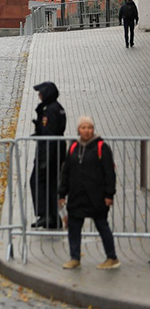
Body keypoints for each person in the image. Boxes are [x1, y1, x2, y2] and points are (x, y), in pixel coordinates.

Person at [58, 116, 120, 270]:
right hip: (77, 196)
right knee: (74, 227)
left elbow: (109, 173)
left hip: (96, 196)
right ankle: (74, 257)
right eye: (83, 127)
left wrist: (109, 195)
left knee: (102, 226)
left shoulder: (101, 147)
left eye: (89, 127)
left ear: (93, 129)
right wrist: (62, 194)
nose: (86, 131)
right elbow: (65, 172)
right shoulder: (73, 147)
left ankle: (111, 257)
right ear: (78, 130)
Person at [30, 82, 67, 229]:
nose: (39, 95)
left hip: (49, 152)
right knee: (50, 185)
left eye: (41, 93)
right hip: (54, 151)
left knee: (38, 181)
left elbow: (50, 135)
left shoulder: (50, 110)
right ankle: (52, 217)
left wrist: (45, 159)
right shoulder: (55, 108)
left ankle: (46, 215)